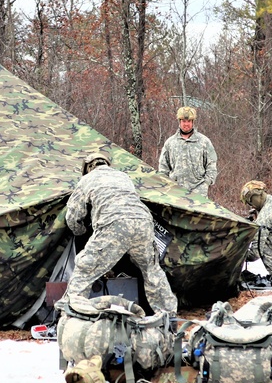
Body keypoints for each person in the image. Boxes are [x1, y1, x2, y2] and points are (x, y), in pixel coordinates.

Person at [60, 152, 178, 315]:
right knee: (152, 271)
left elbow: (73, 216)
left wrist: (80, 232)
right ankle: (168, 316)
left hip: (114, 223)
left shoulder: (87, 179)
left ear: (88, 167)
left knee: (85, 268)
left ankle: (70, 312)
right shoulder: (123, 176)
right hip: (143, 222)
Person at [158, 105, 218, 197]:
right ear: (179, 122)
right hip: (175, 192)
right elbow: (163, 167)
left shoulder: (204, 142)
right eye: (184, 121)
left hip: (198, 193)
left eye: (189, 121)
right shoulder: (170, 143)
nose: (186, 124)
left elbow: (211, 164)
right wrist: (166, 185)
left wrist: (206, 183)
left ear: (193, 122)